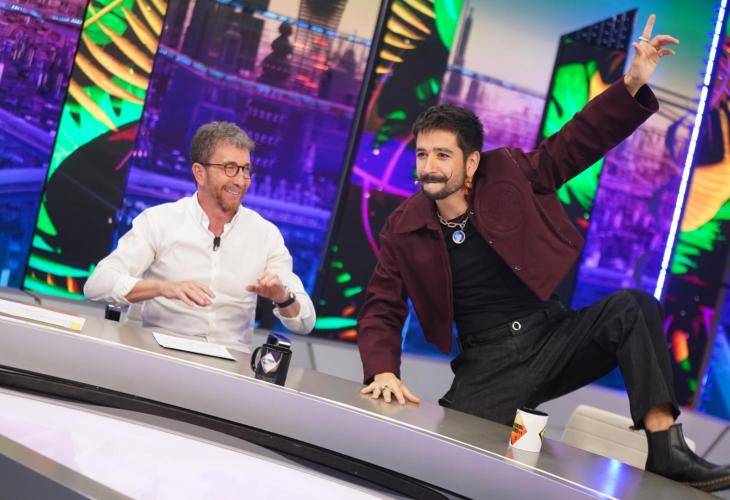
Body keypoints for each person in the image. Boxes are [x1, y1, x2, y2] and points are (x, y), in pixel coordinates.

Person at [357, 15, 729, 492]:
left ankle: (666, 449)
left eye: (442, 155)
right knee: (440, 466)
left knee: (634, 308)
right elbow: (382, 307)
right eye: (422, 154)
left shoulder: (508, 172)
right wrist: (383, 370)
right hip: (489, 363)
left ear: (471, 162)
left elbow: (575, 143)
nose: (428, 166)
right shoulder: (404, 226)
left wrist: (632, 83)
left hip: (552, 337)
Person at [85, 122, 315, 347]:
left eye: (245, 169)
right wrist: (162, 288)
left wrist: (282, 296)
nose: (240, 180)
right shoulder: (159, 220)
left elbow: (305, 322)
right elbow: (97, 284)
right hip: (156, 350)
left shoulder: (265, 235)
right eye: (230, 168)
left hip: (229, 360)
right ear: (200, 173)